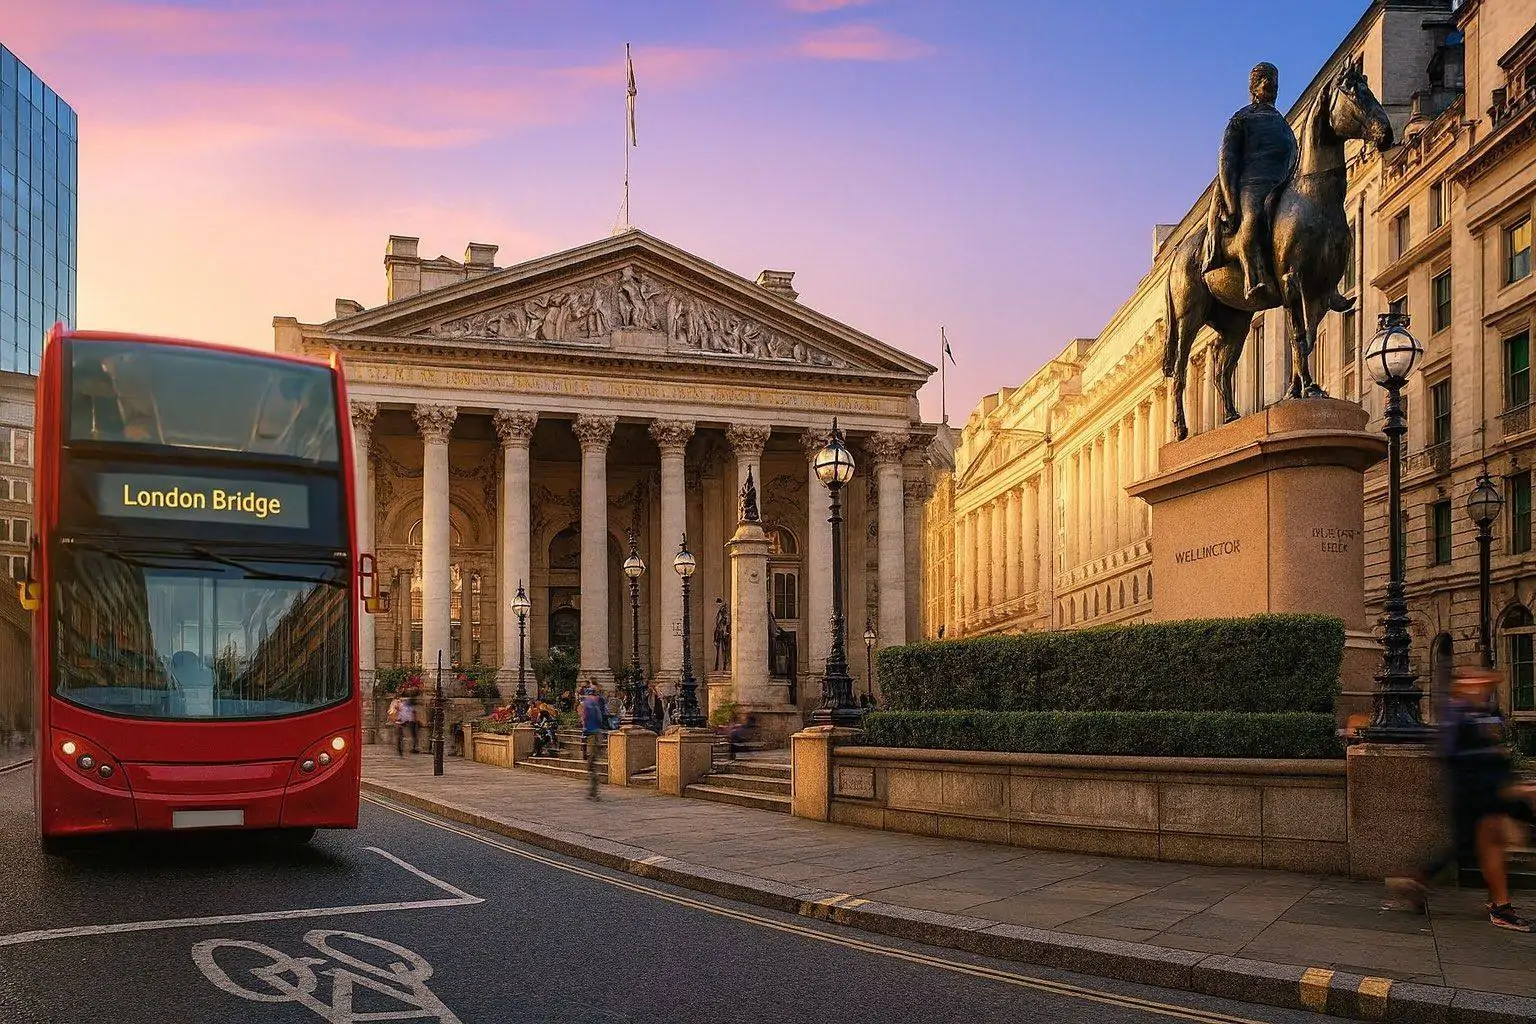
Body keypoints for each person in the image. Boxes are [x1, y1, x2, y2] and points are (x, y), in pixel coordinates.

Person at [1388, 668, 1536, 931]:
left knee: (1471, 845)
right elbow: (1460, 756)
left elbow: (1494, 751)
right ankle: (1499, 906)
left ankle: (1418, 880)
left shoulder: (1484, 712)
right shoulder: (1458, 714)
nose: (1482, 687)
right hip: (1474, 792)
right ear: (1462, 687)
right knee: (1482, 843)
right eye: (1475, 682)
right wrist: (1507, 785)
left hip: (1488, 790)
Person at [1202, 62, 1297, 303]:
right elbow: (1227, 160)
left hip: (1282, 184)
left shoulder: (1283, 123)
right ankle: (1253, 278)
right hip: (1252, 185)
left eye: (1272, 81)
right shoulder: (1242, 118)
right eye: (1262, 80)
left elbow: (1294, 156)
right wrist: (1230, 200)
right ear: (1253, 88)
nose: (1268, 84)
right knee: (1253, 218)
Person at [579, 687, 607, 800]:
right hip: (597, 734)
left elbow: (584, 718)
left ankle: (594, 791)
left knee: (591, 763)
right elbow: (600, 718)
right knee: (593, 762)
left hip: (591, 735)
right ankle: (593, 791)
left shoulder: (587, 704)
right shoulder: (596, 704)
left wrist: (585, 726)